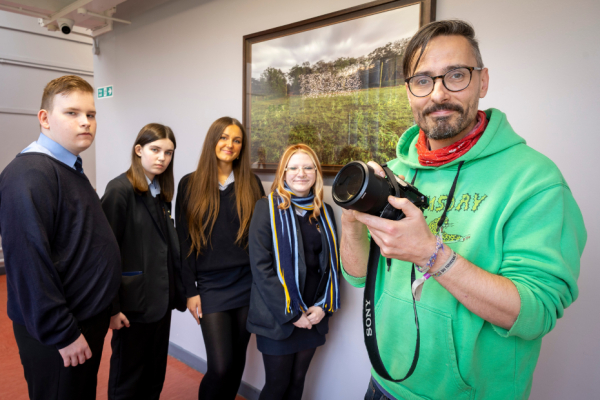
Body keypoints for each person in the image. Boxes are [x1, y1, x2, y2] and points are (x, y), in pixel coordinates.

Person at [340, 20, 587, 400]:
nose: (438, 94)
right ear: (409, 92)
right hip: (384, 382)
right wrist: (351, 217)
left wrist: (430, 254)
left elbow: (535, 313)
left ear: (482, 81)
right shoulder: (398, 171)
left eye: (455, 75)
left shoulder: (535, 181)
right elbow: (358, 276)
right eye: (422, 80)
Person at [0, 75, 121, 399]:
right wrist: (62, 334)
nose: (85, 122)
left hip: (84, 316)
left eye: (91, 114)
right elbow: (28, 265)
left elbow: (82, 244)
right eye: (72, 113)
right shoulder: (29, 175)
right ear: (45, 119)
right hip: (60, 330)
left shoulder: (69, 167)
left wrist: (107, 306)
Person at [175, 116, 264, 400]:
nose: (230, 145)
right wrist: (191, 291)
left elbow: (261, 239)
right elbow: (184, 241)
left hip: (248, 284)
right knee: (221, 366)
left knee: (237, 362)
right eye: (224, 138)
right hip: (211, 286)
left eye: (237, 140)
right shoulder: (190, 184)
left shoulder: (251, 184)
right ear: (213, 141)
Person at [247, 144, 341, 400]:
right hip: (279, 317)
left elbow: (333, 265)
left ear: (316, 173)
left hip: (313, 314)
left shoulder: (325, 212)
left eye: (308, 167)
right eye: (294, 167)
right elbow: (261, 268)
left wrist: (324, 307)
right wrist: (291, 313)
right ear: (284, 172)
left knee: (297, 382)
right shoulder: (265, 208)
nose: (301, 173)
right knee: (277, 386)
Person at [101, 123, 187, 400]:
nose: (162, 157)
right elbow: (106, 254)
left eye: (169, 152)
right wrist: (112, 308)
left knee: (153, 376)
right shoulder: (119, 190)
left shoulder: (161, 192)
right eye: (155, 149)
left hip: (160, 301)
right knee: (127, 380)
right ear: (139, 150)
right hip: (132, 305)